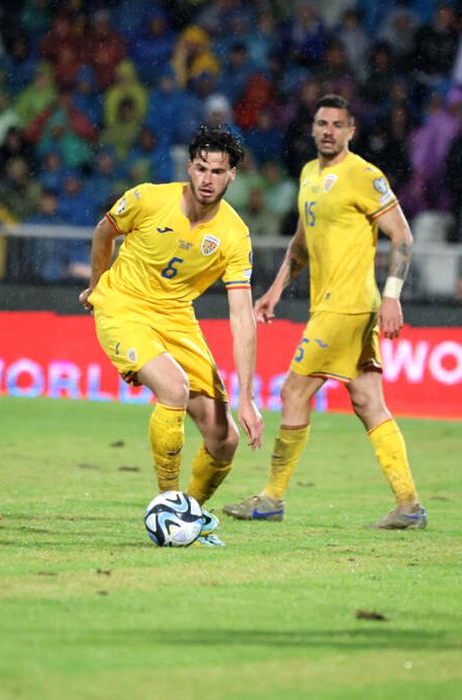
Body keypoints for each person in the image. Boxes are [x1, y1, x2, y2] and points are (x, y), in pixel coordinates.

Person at [222, 94, 426, 530]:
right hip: (335, 306)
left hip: (348, 306)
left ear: (351, 131)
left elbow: (402, 235)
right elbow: (302, 240)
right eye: (321, 123)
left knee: (294, 392)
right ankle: (409, 505)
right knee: (368, 402)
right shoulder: (308, 174)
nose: (328, 131)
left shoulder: (364, 175)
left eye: (337, 124)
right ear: (312, 128)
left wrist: (392, 294)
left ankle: (272, 497)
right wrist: (276, 289)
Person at [79, 125, 264, 545]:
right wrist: (96, 286)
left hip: (177, 318)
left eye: (218, 171)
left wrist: (247, 396)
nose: (207, 179)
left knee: (225, 440)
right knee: (174, 388)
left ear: (232, 174)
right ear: (189, 167)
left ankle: (189, 518)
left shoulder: (234, 235)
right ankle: (168, 505)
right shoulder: (148, 198)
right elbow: (104, 231)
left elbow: (242, 316)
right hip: (123, 306)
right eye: (201, 168)